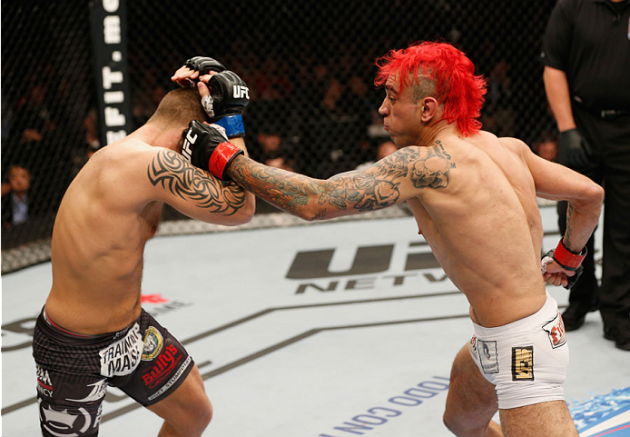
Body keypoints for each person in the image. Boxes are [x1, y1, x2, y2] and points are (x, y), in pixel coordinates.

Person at [175, 42, 603, 436]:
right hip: (497, 335)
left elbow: (314, 201)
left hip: (522, 348)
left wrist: (222, 156)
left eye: (392, 97)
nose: (381, 109)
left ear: (427, 108)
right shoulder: (505, 147)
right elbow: (589, 195)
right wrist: (568, 256)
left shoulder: (424, 164)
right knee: (462, 421)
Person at [33, 60, 255, 437]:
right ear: (192, 133)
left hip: (129, 331)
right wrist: (231, 123)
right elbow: (242, 207)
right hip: (73, 347)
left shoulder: (131, 155)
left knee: (194, 414)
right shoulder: (148, 163)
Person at [542, 0, 630, 348]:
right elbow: (554, 66)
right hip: (582, 120)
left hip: (628, 124)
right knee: (571, 211)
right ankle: (581, 296)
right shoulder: (570, 7)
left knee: (625, 223)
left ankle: (619, 310)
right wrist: (567, 129)